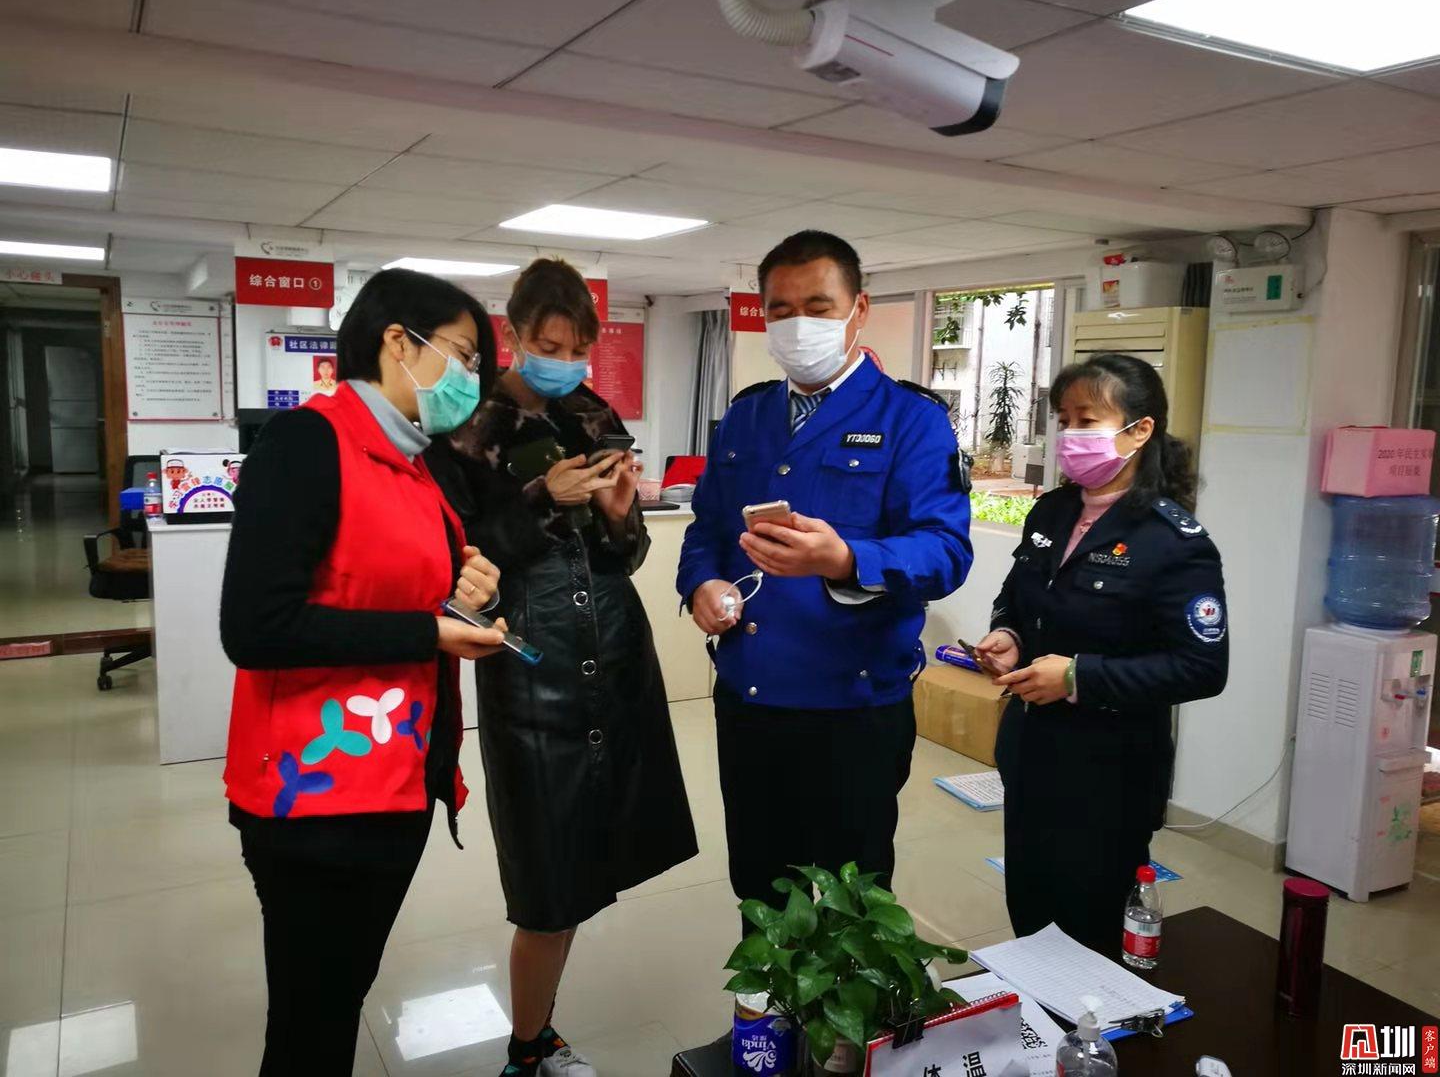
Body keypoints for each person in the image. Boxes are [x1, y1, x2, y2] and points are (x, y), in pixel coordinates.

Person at [220, 268, 508, 1076]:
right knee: (310, 1023)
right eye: (461, 354)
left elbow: (397, 589)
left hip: (396, 783)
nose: (469, 377)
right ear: (397, 342)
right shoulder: (308, 444)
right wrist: (429, 630)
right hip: (317, 798)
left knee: (336, 998)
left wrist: (471, 594)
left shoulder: (414, 461)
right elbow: (256, 627)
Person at [426, 258, 697, 1077]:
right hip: (529, 654)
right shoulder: (464, 425)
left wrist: (618, 517)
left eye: (579, 349)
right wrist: (544, 498)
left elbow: (625, 557)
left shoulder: (592, 414)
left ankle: (539, 1032)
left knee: (597, 849)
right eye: (549, 347)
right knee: (545, 874)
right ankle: (528, 1046)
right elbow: (456, 563)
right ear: (513, 334)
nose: (566, 364)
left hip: (612, 648)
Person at [677, 230, 973, 922]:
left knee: (851, 898)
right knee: (762, 887)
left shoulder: (911, 420)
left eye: (817, 306)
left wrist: (844, 560)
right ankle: (768, 998)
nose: (797, 324)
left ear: (858, 308)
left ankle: (846, 1003)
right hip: (751, 695)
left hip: (853, 705)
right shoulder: (747, 415)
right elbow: (707, 529)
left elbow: (945, 553)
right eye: (780, 310)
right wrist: (701, 585)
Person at [974, 352, 1229, 957]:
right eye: (1064, 420)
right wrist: (1009, 635)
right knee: (1030, 909)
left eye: (1087, 420)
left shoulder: (1172, 540)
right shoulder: (1053, 510)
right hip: (1031, 752)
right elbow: (1018, 597)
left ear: (1139, 431)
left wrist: (1077, 676)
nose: (1070, 435)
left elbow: (1202, 667)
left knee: (1089, 927)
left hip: (1109, 771)